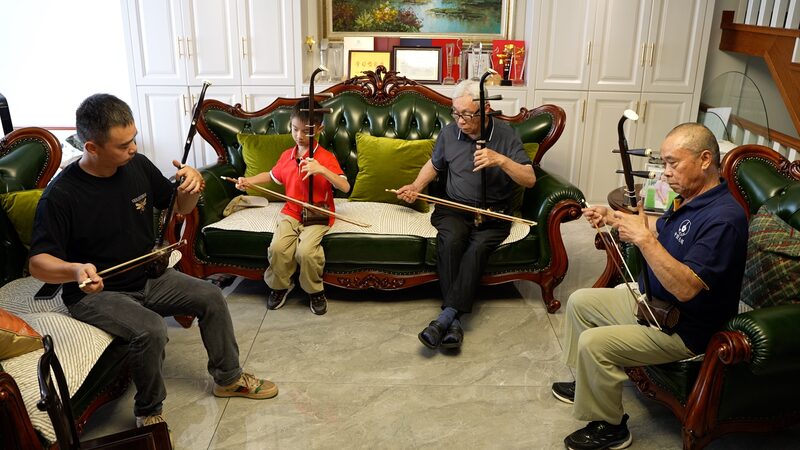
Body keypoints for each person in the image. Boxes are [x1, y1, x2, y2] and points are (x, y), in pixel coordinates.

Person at [28, 94, 277, 437]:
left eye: (133, 138)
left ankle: (229, 379)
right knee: (151, 330)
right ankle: (149, 412)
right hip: (97, 294)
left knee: (212, 297)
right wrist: (74, 270)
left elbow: (180, 207)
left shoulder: (138, 166)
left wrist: (191, 184)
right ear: (92, 147)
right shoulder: (61, 195)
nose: (133, 148)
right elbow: (38, 263)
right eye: (123, 144)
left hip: (150, 276)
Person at [551, 123, 748, 450]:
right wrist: (612, 216)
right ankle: (587, 383)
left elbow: (686, 289)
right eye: (663, 163)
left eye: (673, 163)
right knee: (581, 302)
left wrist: (643, 241)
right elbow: (663, 228)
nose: (665, 173)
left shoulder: (724, 219)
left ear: (704, 159)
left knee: (594, 343)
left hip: (683, 330)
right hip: (653, 304)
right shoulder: (691, 197)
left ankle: (611, 427)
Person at [396, 79, 536, 350]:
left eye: (467, 115)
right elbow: (434, 165)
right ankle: (454, 321)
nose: (460, 120)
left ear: (486, 110)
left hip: (494, 212)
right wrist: (415, 186)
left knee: (478, 247)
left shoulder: (506, 134)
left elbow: (529, 179)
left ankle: (446, 318)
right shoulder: (449, 133)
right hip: (454, 208)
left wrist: (501, 160)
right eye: (456, 113)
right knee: (452, 239)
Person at [235, 98, 349, 315]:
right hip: (291, 212)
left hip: (318, 213)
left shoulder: (325, 157)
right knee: (278, 248)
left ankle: (315, 291)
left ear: (320, 129)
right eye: (295, 129)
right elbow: (270, 175)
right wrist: (248, 181)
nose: (299, 136)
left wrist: (322, 170)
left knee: (306, 252)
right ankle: (280, 286)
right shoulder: (287, 156)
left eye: (306, 131)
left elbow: (344, 186)